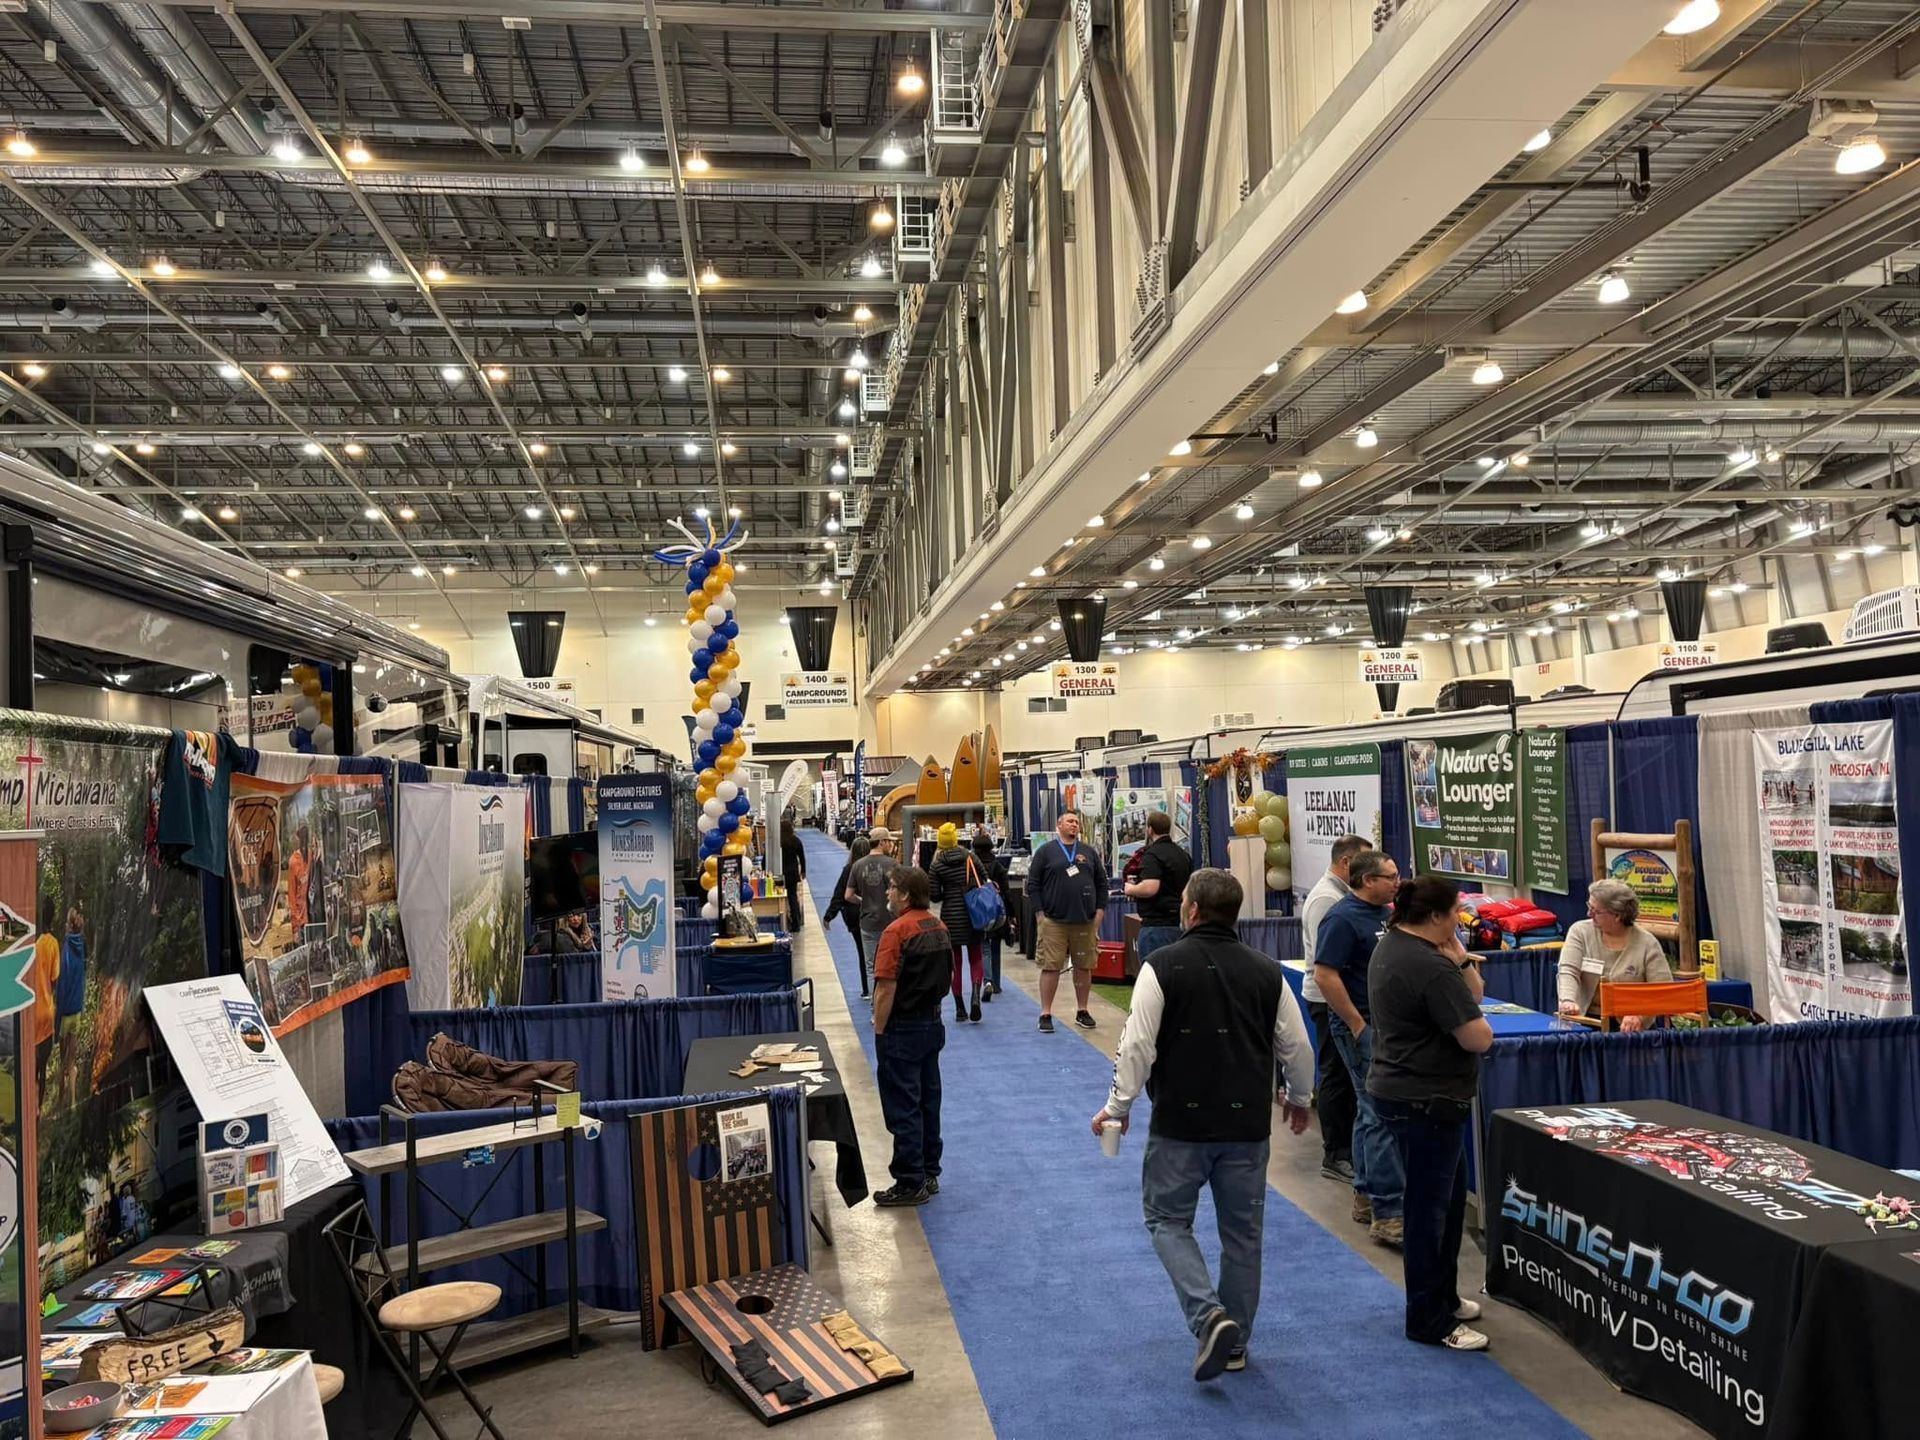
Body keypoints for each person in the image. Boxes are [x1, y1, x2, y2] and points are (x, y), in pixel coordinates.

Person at [1092, 868, 1315, 1381]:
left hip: (1180, 1125)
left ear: (1189, 909)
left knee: (1167, 1221)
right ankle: (1234, 1343)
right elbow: (1297, 1047)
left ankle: (1209, 1316)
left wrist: (1117, 1108)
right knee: (1243, 1235)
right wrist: (1299, 1097)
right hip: (1247, 1128)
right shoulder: (1267, 970)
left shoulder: (1160, 966)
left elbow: (1137, 1046)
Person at [1368, 873, 1495, 1353]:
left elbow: (1474, 996)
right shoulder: (1426, 966)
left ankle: (1441, 1296)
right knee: (1428, 1213)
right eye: (1455, 913)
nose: (1460, 921)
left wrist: (1461, 959)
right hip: (1425, 1100)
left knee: (1446, 1205)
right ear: (1438, 916)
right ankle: (1428, 1318)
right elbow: (1478, 1036)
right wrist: (1455, 966)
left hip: (1412, 1094)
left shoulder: (1396, 944)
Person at [1312, 849, 1404, 1247]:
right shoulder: (1341, 917)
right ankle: (1388, 1212)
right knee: (1378, 1113)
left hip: (1386, 1026)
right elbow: (1325, 975)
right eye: (1391, 876)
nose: (1398, 882)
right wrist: (1357, 1024)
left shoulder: (1387, 913)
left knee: (1370, 1113)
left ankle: (1366, 1194)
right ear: (1368, 881)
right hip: (1362, 1027)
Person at [871, 865, 951, 1207]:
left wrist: (879, 1026)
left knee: (903, 1105)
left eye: (891, 887)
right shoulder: (939, 925)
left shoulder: (896, 932)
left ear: (905, 895)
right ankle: (928, 1171)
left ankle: (909, 1181)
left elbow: (886, 987)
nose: (888, 892)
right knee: (928, 1100)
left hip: (902, 1028)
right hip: (932, 1023)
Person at [1300, 834, 1373, 1184]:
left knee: (1344, 1077)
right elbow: (1325, 965)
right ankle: (1336, 1153)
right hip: (1327, 1000)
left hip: (1341, 1000)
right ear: (1346, 863)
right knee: (1336, 1076)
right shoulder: (1327, 900)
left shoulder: (1341, 896)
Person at [1025, 811, 1107, 1033]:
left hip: (1084, 920)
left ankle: (1082, 1010)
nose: (1075, 825)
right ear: (1059, 824)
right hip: (1053, 921)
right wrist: (1040, 914)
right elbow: (1033, 884)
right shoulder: (1046, 852)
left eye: (1077, 822)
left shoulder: (1088, 852)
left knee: (1083, 966)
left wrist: (1099, 911)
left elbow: (1101, 883)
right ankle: (1045, 1012)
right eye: (1070, 821)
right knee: (1050, 967)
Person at [1557, 879, 1673, 1030]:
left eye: (1596, 911)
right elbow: (1568, 970)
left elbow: (1663, 991)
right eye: (1589, 907)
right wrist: (1568, 1000)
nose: (1588, 914)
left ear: (1617, 916)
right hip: (1587, 1020)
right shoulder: (1580, 932)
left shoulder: (1647, 943)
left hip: (1632, 1029)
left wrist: (1640, 1014)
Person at [926, 823, 986, 1023]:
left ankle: (960, 1007)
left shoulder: (936, 864)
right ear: (955, 839)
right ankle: (976, 995)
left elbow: (934, 896)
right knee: (976, 956)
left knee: (955, 963)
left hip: (950, 917)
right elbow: (984, 880)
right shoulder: (970, 857)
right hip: (973, 914)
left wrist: (947, 892)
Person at [1123, 811, 1192, 966]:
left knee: (1154, 975)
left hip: (1157, 926)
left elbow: (1150, 888)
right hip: (1180, 924)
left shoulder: (1152, 855)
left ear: (1150, 829)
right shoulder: (1183, 854)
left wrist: (1130, 889)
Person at [845, 826, 899, 998]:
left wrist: (863, 901)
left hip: (867, 922)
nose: (891, 845)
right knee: (892, 965)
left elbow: (848, 895)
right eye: (889, 841)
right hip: (890, 922)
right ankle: (891, 1005)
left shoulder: (858, 865)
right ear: (882, 842)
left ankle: (875, 1008)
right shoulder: (892, 864)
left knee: (871, 967)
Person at [822, 836, 872, 997]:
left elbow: (839, 894)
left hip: (853, 915)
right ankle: (875, 987)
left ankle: (867, 989)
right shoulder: (874, 868)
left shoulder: (849, 869)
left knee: (862, 952)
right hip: (874, 914)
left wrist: (829, 915)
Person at [969, 830, 1010, 1000]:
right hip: (997, 911)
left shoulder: (972, 867)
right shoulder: (998, 867)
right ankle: (997, 983)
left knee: (983, 947)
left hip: (979, 912)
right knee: (996, 947)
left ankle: (988, 981)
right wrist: (1011, 915)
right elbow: (1006, 891)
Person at [31, 895, 59, 1098]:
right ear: (53, 918)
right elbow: (54, 979)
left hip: (33, 1014)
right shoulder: (53, 944)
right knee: (43, 1069)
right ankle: (38, 1109)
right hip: (48, 1014)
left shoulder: (34, 945)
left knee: (32, 1068)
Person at [780, 811, 806, 931]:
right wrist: (803, 871)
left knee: (778, 898)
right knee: (792, 898)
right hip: (792, 872)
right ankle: (796, 923)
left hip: (779, 872)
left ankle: (781, 923)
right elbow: (802, 857)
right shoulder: (796, 840)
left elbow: (766, 857)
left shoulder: (778, 841)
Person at [287, 823, 312, 934]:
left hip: (313, 917)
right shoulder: (293, 861)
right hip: (301, 921)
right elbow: (291, 894)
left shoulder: (311, 855)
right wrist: (296, 926)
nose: (304, 840)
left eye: (306, 836)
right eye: (302, 836)